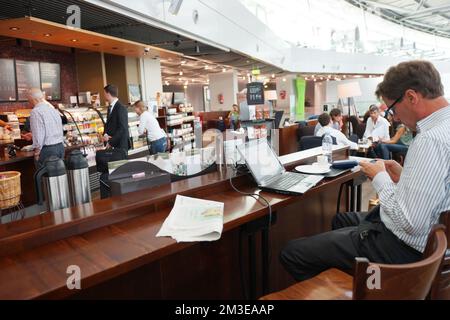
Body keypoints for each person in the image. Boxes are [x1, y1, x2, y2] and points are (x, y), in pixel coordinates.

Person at [280, 60, 450, 282]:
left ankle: (360, 290)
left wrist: (379, 177)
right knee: (341, 220)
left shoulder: (430, 140)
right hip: (431, 242)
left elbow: (410, 223)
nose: (395, 117)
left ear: (411, 97)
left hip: (405, 250)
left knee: (292, 252)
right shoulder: (442, 130)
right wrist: (404, 177)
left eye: (393, 109)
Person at [28, 88, 64, 167]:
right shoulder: (53, 110)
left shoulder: (36, 112)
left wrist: (37, 153)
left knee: (45, 177)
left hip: (47, 151)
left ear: (31, 98)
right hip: (60, 147)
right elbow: (57, 129)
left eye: (28, 98)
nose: (28, 101)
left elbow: (38, 135)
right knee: (58, 177)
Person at [103, 84, 129, 152]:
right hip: (112, 145)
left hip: (120, 146)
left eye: (104, 93)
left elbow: (122, 128)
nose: (104, 95)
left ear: (108, 94)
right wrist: (105, 134)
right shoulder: (110, 107)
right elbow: (108, 124)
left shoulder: (121, 108)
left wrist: (110, 141)